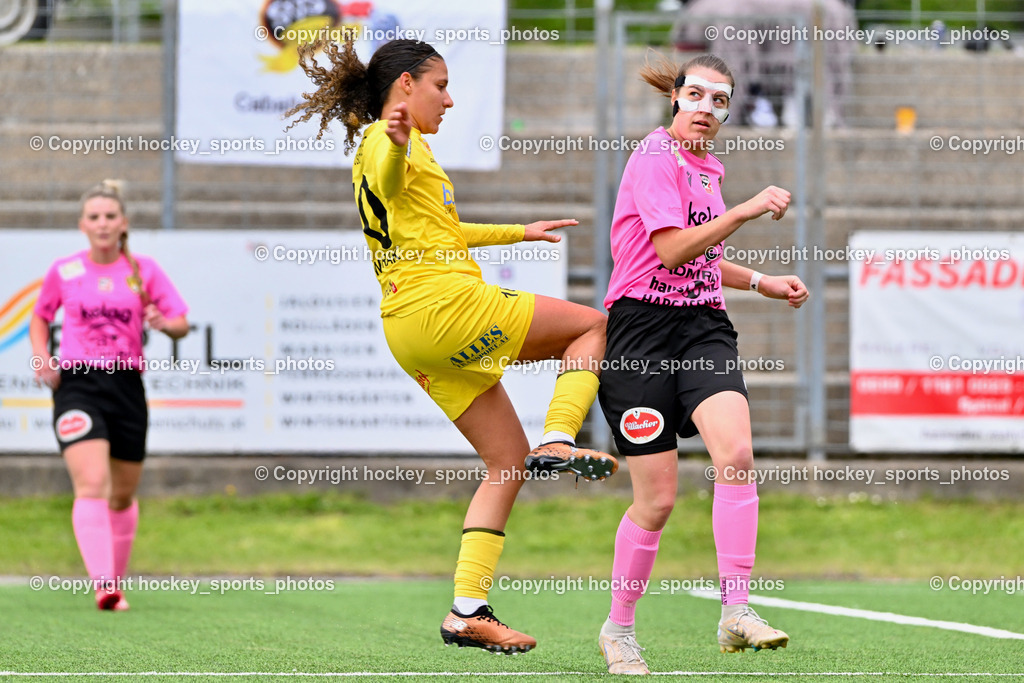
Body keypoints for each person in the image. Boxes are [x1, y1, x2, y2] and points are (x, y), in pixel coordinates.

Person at [285, 38, 616, 655]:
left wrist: (520, 232)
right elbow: (386, 174)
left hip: (410, 331)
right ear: (406, 85)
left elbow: (440, 229)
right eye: (441, 85)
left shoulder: (402, 147)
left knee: (506, 462)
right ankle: (563, 435)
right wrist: (395, 137)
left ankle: (468, 610)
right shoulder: (383, 142)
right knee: (589, 326)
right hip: (443, 308)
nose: (451, 98)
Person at [595, 54, 809, 674]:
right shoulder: (656, 156)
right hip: (639, 337)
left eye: (720, 100)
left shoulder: (708, 168)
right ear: (675, 100)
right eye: (696, 95)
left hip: (702, 329)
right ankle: (619, 629)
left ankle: (736, 611)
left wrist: (761, 281)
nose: (707, 109)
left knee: (737, 456)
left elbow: (700, 259)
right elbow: (667, 251)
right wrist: (744, 211)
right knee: (657, 501)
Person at [30, 180, 190, 611]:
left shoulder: (144, 270)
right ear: (83, 225)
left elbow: (181, 323)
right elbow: (40, 317)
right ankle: (105, 586)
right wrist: (41, 358)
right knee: (92, 484)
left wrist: (163, 321)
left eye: (110, 216)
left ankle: (115, 582)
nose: (102, 224)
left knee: (121, 494)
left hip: (126, 386)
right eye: (94, 217)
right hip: (78, 385)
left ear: (123, 223)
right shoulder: (64, 271)